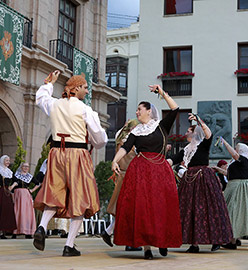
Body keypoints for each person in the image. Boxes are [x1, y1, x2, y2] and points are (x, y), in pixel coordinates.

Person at [34, 70, 107, 256]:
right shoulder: (85, 109)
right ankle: (69, 245)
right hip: (78, 154)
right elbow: (100, 139)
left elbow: (41, 97)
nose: (87, 92)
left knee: (54, 192)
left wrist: (50, 83)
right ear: (76, 88)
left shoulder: (55, 104)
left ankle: (41, 227)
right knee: (80, 198)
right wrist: (90, 138)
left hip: (56, 152)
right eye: (85, 87)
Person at [112, 84, 182, 260]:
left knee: (162, 206)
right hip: (141, 171)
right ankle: (147, 248)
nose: (137, 112)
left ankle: (163, 240)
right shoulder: (136, 131)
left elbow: (175, 109)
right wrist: (114, 160)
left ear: (149, 111)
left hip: (160, 170)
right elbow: (126, 147)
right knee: (143, 208)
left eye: (139, 109)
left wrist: (161, 92)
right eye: (136, 110)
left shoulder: (161, 126)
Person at [167, 114, 233, 253]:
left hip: (204, 178)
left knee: (209, 208)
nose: (185, 133)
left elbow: (209, 134)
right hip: (189, 179)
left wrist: (198, 120)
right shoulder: (185, 150)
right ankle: (194, 244)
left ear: (194, 132)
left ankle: (216, 240)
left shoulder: (203, 145)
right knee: (190, 210)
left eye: (188, 131)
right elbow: (172, 160)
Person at [101, 119, 142, 252]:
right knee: (130, 208)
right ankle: (128, 241)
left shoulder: (120, 137)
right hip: (130, 175)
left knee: (122, 207)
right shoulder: (132, 141)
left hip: (120, 174)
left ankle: (110, 231)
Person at [12, 162, 40, 238]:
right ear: (21, 167)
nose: (26, 168)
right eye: (24, 166)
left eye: (27, 166)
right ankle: (15, 232)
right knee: (17, 212)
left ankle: (28, 232)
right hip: (17, 195)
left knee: (26, 213)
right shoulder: (16, 175)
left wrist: (32, 190)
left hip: (26, 195)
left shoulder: (29, 176)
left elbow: (38, 184)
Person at [0, 155, 17, 239]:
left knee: (6, 211)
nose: (8, 162)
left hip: (6, 193)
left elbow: (16, 180)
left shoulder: (9, 172)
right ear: (2, 161)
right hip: (0, 192)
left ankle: (3, 232)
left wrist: (12, 186)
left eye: (9, 160)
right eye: (6, 160)